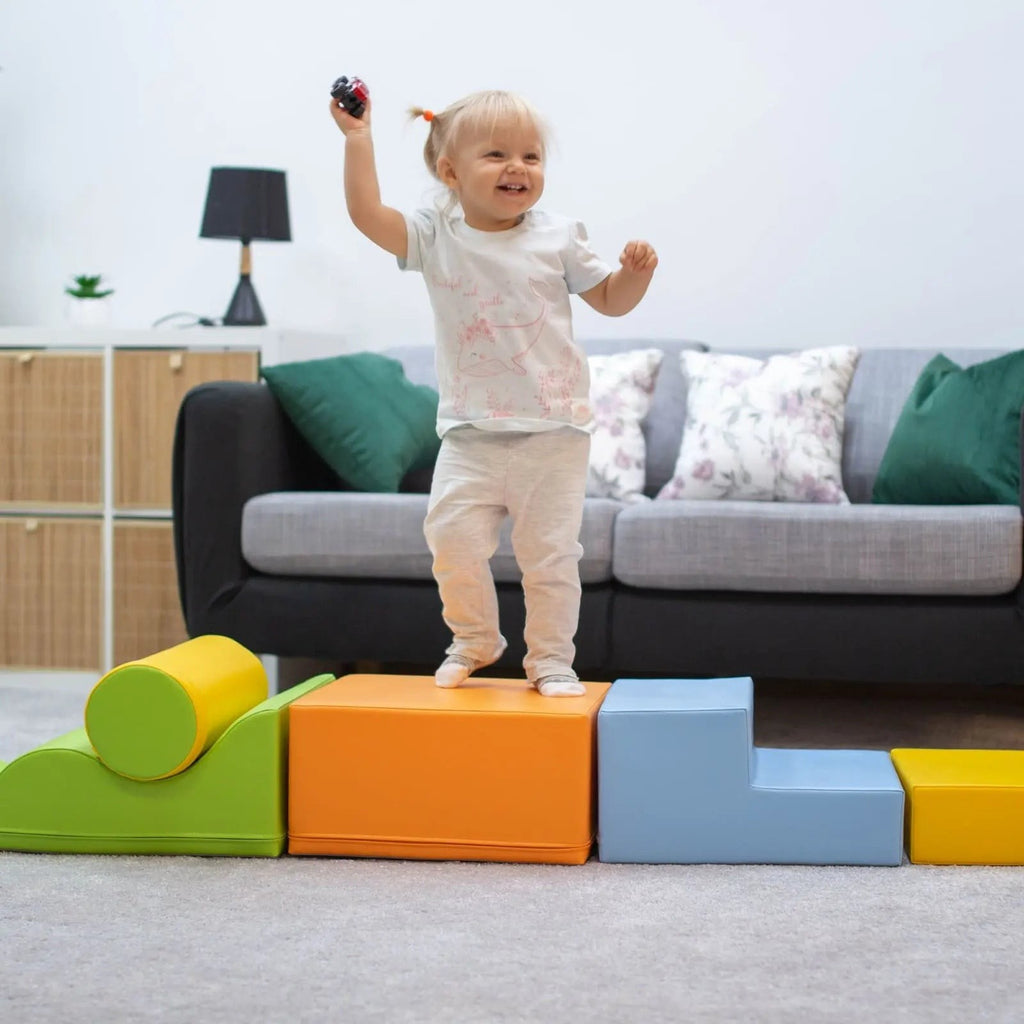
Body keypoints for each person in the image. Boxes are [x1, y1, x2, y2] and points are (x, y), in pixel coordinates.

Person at [330, 87, 657, 696]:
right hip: (470, 433)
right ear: (449, 171)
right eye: (498, 155)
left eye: (532, 157)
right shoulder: (434, 235)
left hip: (553, 432)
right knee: (450, 540)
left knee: (551, 558)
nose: (518, 168)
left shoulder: (557, 235)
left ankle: (552, 660)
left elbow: (609, 301)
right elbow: (367, 213)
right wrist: (357, 140)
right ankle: (476, 638)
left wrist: (633, 277)